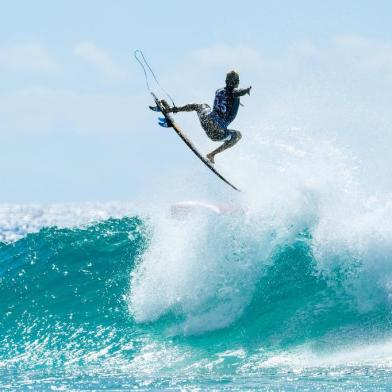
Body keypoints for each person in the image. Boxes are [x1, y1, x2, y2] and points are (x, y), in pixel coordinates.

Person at [162, 70, 251, 164]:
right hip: (217, 131)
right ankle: (212, 155)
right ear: (237, 82)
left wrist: (237, 101)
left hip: (206, 120)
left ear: (226, 81)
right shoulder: (234, 92)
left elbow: (228, 97)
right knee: (238, 135)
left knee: (198, 106)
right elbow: (237, 92)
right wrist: (246, 90)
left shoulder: (219, 91)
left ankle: (171, 109)